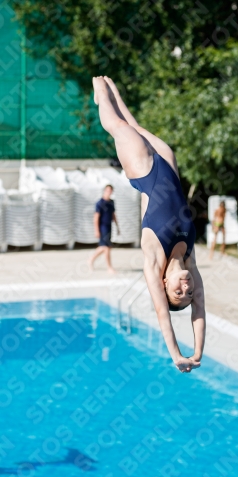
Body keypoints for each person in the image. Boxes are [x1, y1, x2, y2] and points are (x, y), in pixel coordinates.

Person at [92, 76, 206, 373]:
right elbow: (200, 310)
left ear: (164, 285)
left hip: (144, 172)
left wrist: (177, 355)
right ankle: (114, 92)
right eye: (188, 292)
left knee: (119, 128)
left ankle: (101, 94)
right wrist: (197, 353)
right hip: (168, 164)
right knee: (137, 127)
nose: (186, 287)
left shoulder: (153, 261)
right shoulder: (190, 260)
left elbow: (161, 313)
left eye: (178, 292)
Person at [89, 184, 120, 273]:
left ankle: (91, 259)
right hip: (102, 227)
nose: (108, 192)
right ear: (104, 191)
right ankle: (109, 267)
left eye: (110, 191)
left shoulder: (111, 202)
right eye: (107, 190)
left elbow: (113, 215)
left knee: (106, 247)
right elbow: (96, 218)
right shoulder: (100, 203)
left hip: (109, 226)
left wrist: (117, 226)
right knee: (106, 248)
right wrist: (96, 230)